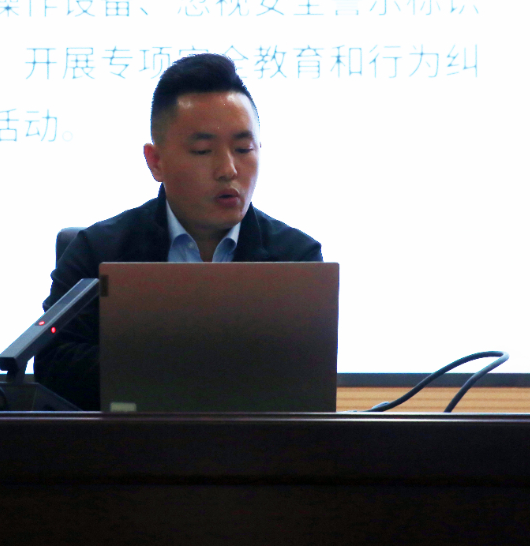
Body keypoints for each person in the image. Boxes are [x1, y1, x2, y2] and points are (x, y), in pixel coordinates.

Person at [34, 53, 322, 410]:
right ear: (155, 162)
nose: (228, 169)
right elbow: (54, 365)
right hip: (128, 442)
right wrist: (193, 369)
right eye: (203, 150)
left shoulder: (296, 259)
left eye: (243, 148)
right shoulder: (97, 251)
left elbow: (304, 383)